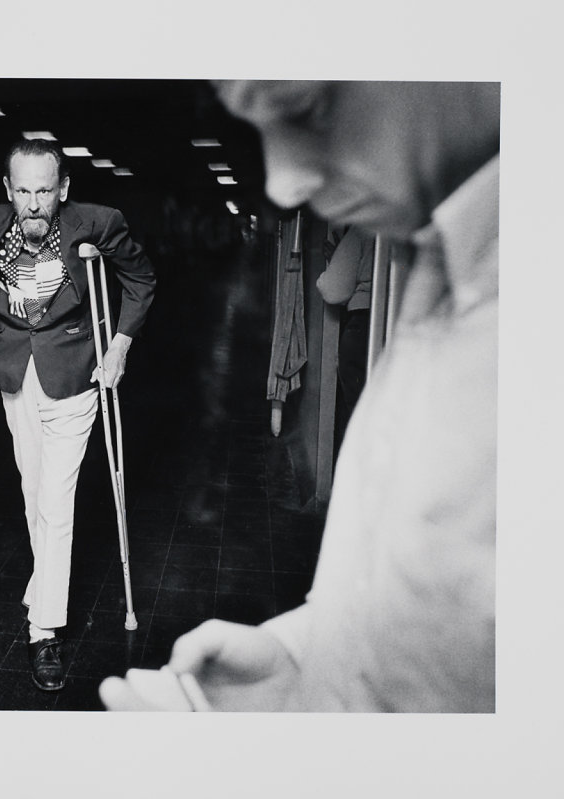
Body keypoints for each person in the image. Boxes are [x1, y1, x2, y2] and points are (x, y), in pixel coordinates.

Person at [100, 80, 499, 712]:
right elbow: (439, 621)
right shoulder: (437, 264)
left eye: (310, 109)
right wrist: (301, 658)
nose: (284, 184)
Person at [0, 139, 155, 691]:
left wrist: (118, 347)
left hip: (75, 374)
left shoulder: (99, 222)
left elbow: (141, 281)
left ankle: (43, 628)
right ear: (8, 191)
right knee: (32, 492)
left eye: (44, 191)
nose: (32, 202)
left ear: (63, 189)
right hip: (14, 373)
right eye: (22, 190)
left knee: (56, 501)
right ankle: (42, 584)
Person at [317, 224, 375, 430]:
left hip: (361, 323)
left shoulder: (363, 228)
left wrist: (338, 263)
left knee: (358, 411)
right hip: (398, 324)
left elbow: (333, 290)